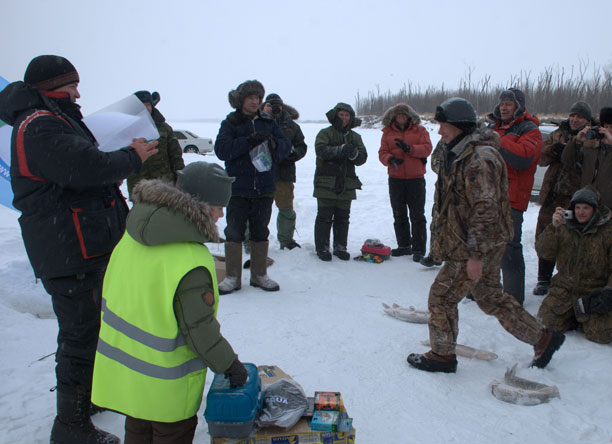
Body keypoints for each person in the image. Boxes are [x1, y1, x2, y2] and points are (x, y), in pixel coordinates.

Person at [0, 55, 158, 443]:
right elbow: (86, 169)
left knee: (90, 332)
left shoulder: (52, 118)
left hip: (79, 245)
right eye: (72, 85)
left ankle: (84, 402)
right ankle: (70, 426)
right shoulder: (40, 125)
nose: (78, 92)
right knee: (80, 337)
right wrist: (131, 157)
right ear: (52, 85)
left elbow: (82, 165)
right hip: (70, 250)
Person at [91, 162, 248, 444]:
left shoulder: (133, 235)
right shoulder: (188, 259)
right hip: (167, 383)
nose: (221, 214)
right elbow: (199, 330)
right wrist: (230, 365)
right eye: (217, 206)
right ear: (199, 205)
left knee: (138, 430)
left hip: (129, 373)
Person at [407, 98, 564, 374]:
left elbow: (486, 209)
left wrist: (475, 255)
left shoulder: (481, 159)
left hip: (475, 243)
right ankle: (543, 338)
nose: (440, 132)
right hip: (470, 239)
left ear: (459, 127)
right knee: (489, 297)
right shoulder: (456, 150)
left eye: (443, 126)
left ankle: (442, 356)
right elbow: (438, 167)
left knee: (441, 297)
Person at [214, 80, 290, 294]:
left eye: (258, 97)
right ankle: (231, 277)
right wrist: (248, 141)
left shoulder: (269, 121)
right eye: (251, 98)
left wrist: (275, 145)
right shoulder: (231, 122)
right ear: (241, 100)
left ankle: (259, 275)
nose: (255, 101)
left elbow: (286, 147)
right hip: (238, 188)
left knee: (260, 231)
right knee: (234, 232)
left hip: (264, 187)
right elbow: (221, 150)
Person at [488, 88, 542, 305]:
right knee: (486, 244)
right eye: (502, 103)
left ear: (519, 105)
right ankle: (482, 289)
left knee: (509, 246)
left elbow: (524, 159)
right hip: (489, 196)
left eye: (509, 103)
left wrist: (497, 141)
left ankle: (513, 296)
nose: (503, 107)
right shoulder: (495, 127)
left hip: (512, 197)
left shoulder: (531, 130)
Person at [536, 188, 612, 344]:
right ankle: (573, 318)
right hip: (563, 289)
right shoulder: (564, 227)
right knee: (544, 324)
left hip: (593, 292)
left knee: (602, 335)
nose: (581, 212)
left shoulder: (607, 232)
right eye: (577, 207)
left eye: (586, 208)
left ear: (595, 209)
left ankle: (581, 319)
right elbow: (544, 252)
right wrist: (553, 228)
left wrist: (608, 293)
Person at [533, 102, 593, 296]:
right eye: (573, 115)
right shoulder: (558, 133)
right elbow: (541, 158)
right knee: (545, 236)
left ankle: (567, 279)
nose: (575, 119)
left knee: (573, 240)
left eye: (580, 117)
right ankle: (544, 279)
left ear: (587, 120)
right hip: (552, 195)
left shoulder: (591, 137)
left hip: (576, 199)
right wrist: (555, 150)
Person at [313, 103, 368, 261]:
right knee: (324, 217)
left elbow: (362, 158)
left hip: (347, 184)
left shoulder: (356, 137)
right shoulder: (325, 133)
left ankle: (340, 246)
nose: (344, 118)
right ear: (335, 115)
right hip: (325, 183)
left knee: (343, 218)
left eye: (347, 115)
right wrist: (340, 150)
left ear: (351, 118)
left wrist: (353, 153)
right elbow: (321, 151)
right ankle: (322, 248)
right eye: (341, 114)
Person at [378, 103, 432, 261]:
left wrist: (410, 149)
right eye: (398, 114)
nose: (401, 116)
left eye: (404, 114)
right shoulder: (387, 132)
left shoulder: (420, 130)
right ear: (393, 116)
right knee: (399, 214)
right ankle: (404, 246)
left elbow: (427, 148)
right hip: (396, 179)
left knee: (417, 215)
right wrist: (390, 159)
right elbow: (382, 153)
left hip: (416, 179)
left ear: (409, 116)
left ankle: (419, 249)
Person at [262, 93, 308, 250]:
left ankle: (286, 240)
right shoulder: (256, 122)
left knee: (286, 208)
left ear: (282, 107)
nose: (274, 108)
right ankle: (252, 240)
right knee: (258, 208)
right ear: (264, 106)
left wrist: (293, 155)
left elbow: (302, 146)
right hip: (260, 174)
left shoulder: (292, 126)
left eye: (277, 105)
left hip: (284, 174)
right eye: (269, 105)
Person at [127, 90, 185, 199]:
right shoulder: (127, 129)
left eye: (148, 105)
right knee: (143, 215)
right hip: (139, 186)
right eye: (141, 105)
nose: (145, 108)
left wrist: (181, 178)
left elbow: (176, 156)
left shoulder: (164, 128)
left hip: (165, 185)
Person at [563, 106, 612, 209]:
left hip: (608, 206)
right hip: (586, 204)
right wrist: (577, 141)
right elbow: (566, 160)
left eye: (611, 127)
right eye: (606, 127)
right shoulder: (591, 147)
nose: (608, 131)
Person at [419, 140, 444, 268]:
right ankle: (435, 255)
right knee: (436, 222)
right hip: (443, 189)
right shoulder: (445, 141)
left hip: (464, 191)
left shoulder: (473, 140)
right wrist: (449, 171)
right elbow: (434, 161)